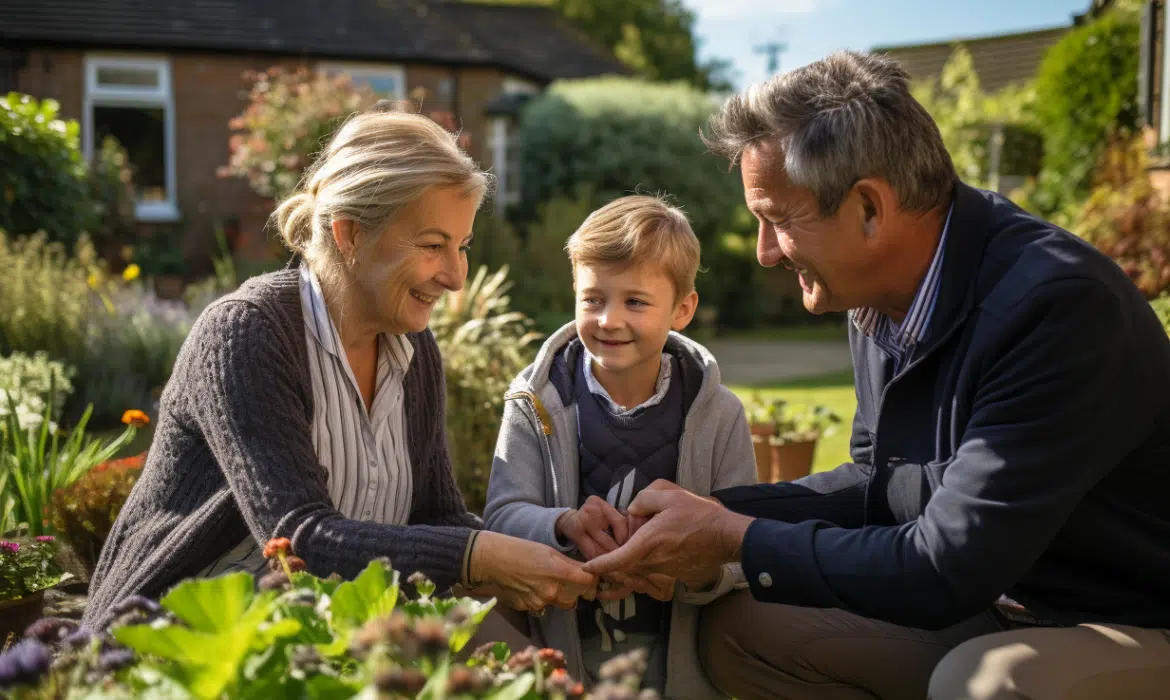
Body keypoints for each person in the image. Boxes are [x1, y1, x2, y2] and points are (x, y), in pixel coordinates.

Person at [583, 51, 1170, 699]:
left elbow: (945, 567)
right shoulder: (878, 296)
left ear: (868, 207)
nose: (764, 251)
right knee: (743, 625)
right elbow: (877, 483)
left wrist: (733, 537)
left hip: (1131, 619)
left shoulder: (1054, 308)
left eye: (776, 219)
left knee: (989, 684)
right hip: (1004, 601)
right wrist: (707, 512)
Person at [84, 104, 597, 632]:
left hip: (306, 644)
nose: (455, 277)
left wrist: (558, 542)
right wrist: (479, 556)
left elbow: (437, 520)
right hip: (164, 649)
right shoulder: (248, 333)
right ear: (349, 233)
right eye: (432, 246)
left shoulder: (413, 352)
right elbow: (299, 541)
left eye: (461, 247)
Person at [483, 195, 757, 698]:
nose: (609, 319)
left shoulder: (719, 414)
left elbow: (744, 546)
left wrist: (688, 574)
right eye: (593, 298)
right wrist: (561, 524)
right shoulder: (533, 403)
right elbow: (501, 517)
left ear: (682, 309)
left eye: (635, 301)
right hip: (561, 658)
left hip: (681, 664)